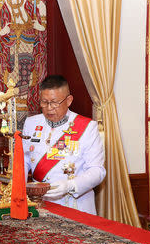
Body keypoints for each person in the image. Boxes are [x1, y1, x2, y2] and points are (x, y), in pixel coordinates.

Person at [22, 75, 106, 215]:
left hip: (74, 204)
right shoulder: (31, 123)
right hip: (38, 204)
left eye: (55, 103)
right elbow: (23, 162)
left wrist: (70, 185)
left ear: (68, 101)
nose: (49, 108)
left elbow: (98, 171)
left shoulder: (87, 127)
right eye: (44, 102)